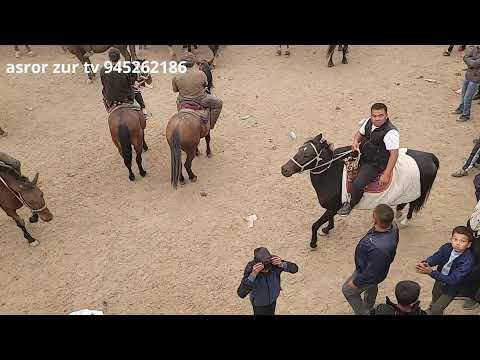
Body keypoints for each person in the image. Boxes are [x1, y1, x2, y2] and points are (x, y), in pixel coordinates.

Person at [338, 103, 400, 216]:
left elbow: (394, 154)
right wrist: (355, 142)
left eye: (381, 115)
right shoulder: (368, 122)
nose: (377, 119)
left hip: (374, 163)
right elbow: (359, 133)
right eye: (374, 116)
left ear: (386, 115)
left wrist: (386, 173)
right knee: (337, 153)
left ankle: (350, 204)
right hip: (362, 153)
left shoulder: (391, 132)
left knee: (358, 183)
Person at [342, 204, 399, 315]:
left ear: (374, 219)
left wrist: (356, 282)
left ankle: (364, 312)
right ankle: (369, 303)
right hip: (379, 269)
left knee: (348, 290)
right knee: (372, 284)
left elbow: (372, 272)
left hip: (369, 270)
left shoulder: (375, 246)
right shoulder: (394, 226)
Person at [416, 226, 475, 315]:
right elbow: (436, 257)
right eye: (455, 239)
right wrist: (426, 263)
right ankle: (432, 309)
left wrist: (431, 272)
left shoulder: (468, 260)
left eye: (462, 241)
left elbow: (453, 280)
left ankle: (435, 311)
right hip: (440, 279)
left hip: (452, 287)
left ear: (469, 244)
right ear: (451, 239)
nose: (457, 243)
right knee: (435, 295)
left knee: (437, 309)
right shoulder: (446, 248)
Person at [237, 247, 298, 315]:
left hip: (273, 299)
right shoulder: (251, 269)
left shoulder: (275, 263)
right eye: (263, 269)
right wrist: (253, 275)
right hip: (259, 304)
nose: (266, 271)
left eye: (268, 269)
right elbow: (241, 293)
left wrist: (282, 264)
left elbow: (295, 269)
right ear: (257, 265)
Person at [172, 52, 223, 130]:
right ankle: (211, 125)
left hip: (182, 101)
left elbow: (175, 90)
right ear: (193, 63)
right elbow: (206, 84)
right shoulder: (201, 74)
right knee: (219, 103)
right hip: (200, 100)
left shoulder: (176, 76)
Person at [100, 48, 135, 112]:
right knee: (136, 91)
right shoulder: (125, 69)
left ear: (109, 57)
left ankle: (109, 108)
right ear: (119, 57)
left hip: (110, 97)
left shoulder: (103, 70)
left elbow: (103, 83)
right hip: (125, 97)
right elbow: (130, 83)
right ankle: (144, 111)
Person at [453, 45, 480, 122]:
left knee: (468, 97)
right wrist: (471, 61)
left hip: (476, 78)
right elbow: (465, 57)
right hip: (468, 75)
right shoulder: (476, 48)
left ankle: (466, 115)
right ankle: (461, 109)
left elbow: (474, 64)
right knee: (463, 94)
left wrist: (470, 60)